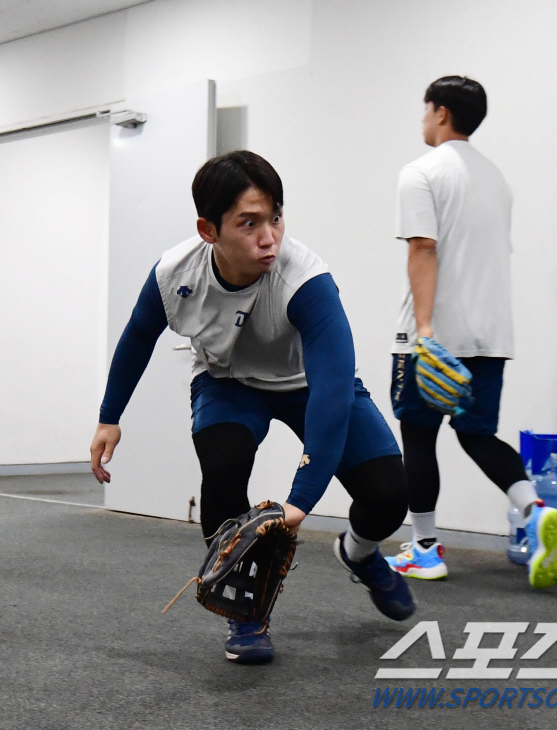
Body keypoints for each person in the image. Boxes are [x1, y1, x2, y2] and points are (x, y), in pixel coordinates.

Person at [89, 151, 415, 665]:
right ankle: (245, 611)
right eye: (249, 223)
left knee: (389, 495)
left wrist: (299, 502)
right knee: (223, 467)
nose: (269, 236)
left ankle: (359, 553)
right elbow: (136, 340)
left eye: (275, 218)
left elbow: (331, 395)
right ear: (208, 229)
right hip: (229, 381)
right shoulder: (175, 275)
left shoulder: (305, 280)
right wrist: (110, 416)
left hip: (310, 384)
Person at [385, 76, 557, 588]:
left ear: (441, 113)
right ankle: (533, 511)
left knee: (419, 437)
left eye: (425, 111)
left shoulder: (421, 172)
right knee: (476, 434)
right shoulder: (496, 178)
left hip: (434, 337)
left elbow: (423, 247)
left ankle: (423, 549)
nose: (422, 120)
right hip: (491, 335)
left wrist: (423, 329)